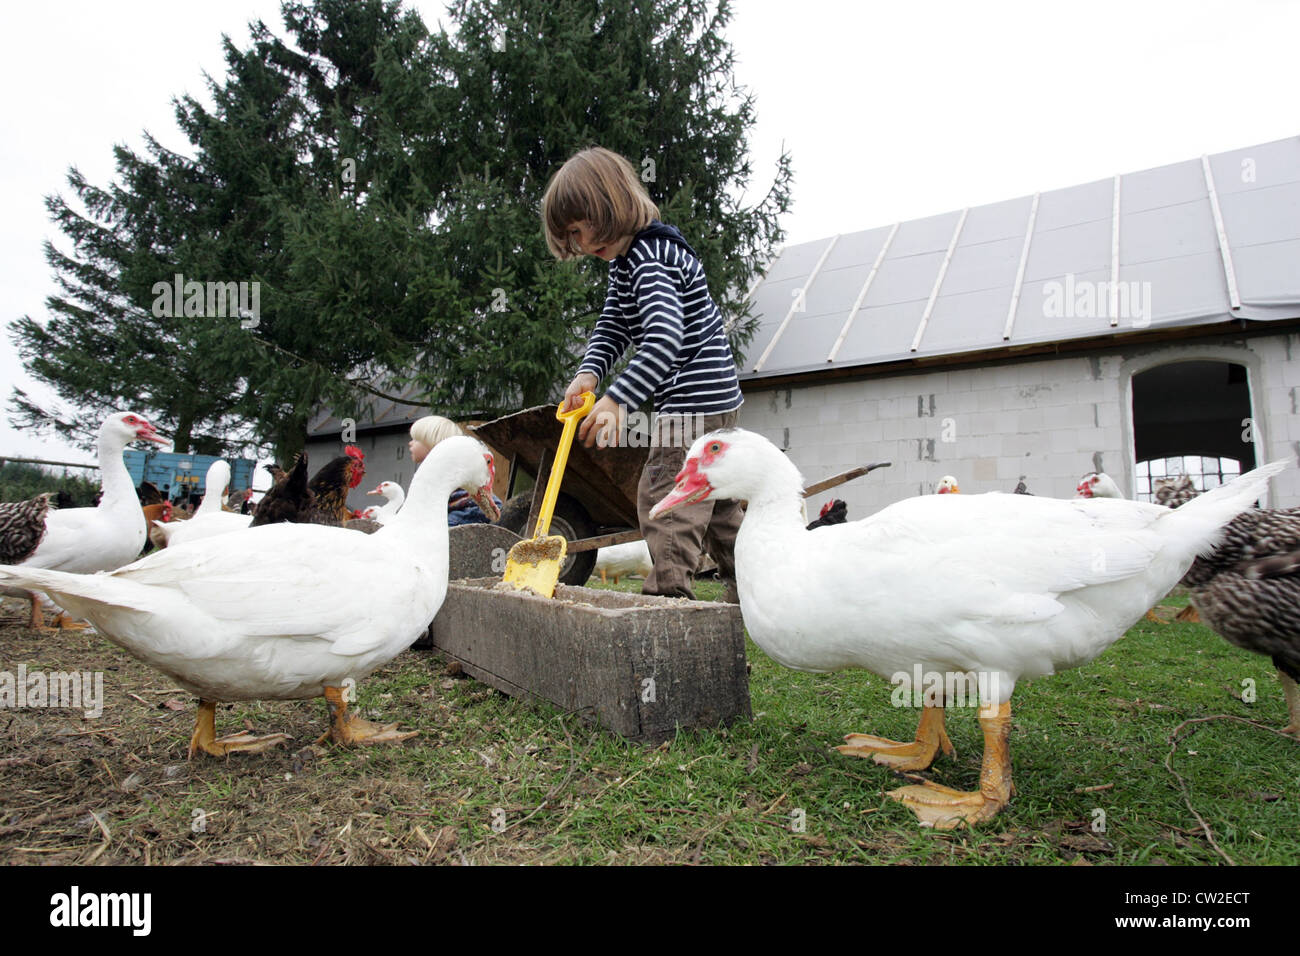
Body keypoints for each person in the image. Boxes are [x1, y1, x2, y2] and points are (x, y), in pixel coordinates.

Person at [541, 145, 743, 602]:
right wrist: (590, 373)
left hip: (695, 402)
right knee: (717, 506)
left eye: (579, 228)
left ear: (607, 204)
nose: (579, 244)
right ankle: (758, 585)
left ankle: (667, 600)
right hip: (714, 399)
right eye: (569, 237)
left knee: (666, 497)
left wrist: (617, 401)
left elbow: (663, 338)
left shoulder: (650, 258)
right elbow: (613, 324)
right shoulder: (628, 260)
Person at [409, 415, 502, 525]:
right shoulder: (426, 478)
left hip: (465, 514)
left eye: (416, 439)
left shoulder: (447, 480)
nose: (410, 443)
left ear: (432, 445)